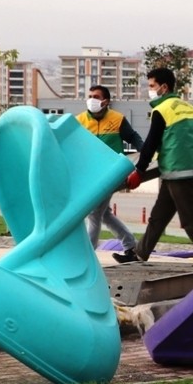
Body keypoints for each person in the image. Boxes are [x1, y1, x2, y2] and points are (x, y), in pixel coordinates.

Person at [116, 67, 193, 264]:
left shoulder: (161, 110)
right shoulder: (189, 108)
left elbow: (151, 143)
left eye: (152, 86)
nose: (150, 89)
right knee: (158, 217)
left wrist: (139, 171)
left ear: (164, 87)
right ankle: (139, 254)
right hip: (182, 170)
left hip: (176, 170)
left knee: (189, 219)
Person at [76, 85, 144, 257]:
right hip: (90, 174)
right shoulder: (80, 121)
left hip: (111, 173)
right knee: (104, 214)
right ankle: (130, 245)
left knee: (94, 212)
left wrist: (144, 156)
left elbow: (134, 137)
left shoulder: (117, 119)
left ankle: (88, 254)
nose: (91, 99)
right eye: (90, 95)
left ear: (105, 101)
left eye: (96, 96)